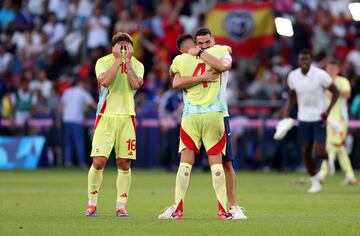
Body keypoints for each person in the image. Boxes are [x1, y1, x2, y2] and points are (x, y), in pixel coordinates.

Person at [158, 34, 232, 220]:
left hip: (190, 116)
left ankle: (178, 210)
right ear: (194, 45)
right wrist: (203, 76)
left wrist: (191, 70)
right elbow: (227, 53)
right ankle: (223, 211)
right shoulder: (217, 51)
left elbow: (173, 79)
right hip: (214, 114)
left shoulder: (179, 60)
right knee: (216, 163)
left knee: (185, 162)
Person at [190, 27, 247, 219]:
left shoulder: (222, 52)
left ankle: (233, 206)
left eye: (207, 42)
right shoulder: (189, 58)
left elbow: (224, 65)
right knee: (185, 163)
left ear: (213, 40)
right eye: (200, 43)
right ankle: (177, 206)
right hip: (194, 115)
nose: (205, 46)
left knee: (226, 164)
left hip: (219, 114)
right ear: (195, 43)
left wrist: (200, 53)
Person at [86, 32, 144, 217]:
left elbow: (136, 84)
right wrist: (118, 61)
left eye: (127, 45)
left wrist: (127, 63)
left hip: (127, 116)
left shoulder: (137, 65)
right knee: (99, 161)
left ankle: (121, 205)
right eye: (120, 45)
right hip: (106, 116)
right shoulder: (103, 62)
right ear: (114, 47)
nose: (124, 48)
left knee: (124, 163)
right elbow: (105, 81)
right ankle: (92, 203)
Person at [283, 49, 339, 193]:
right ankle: (315, 182)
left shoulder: (320, 75)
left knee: (319, 151)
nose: (304, 62)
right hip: (303, 118)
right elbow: (293, 95)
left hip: (319, 117)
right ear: (299, 60)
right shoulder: (293, 76)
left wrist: (327, 111)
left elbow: (336, 92)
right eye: (302, 60)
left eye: (307, 59)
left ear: (311, 60)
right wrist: (287, 110)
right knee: (306, 152)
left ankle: (329, 158)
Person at [317, 59, 357, 185]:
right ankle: (350, 175)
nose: (331, 71)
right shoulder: (322, 82)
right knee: (339, 147)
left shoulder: (342, 81)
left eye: (333, 69)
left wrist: (333, 90)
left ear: (338, 70)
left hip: (339, 118)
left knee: (330, 145)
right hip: (326, 118)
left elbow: (347, 94)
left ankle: (323, 173)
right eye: (329, 69)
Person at [59, 78, 95, 168]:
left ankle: (68, 162)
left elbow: (61, 106)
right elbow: (93, 104)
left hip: (66, 119)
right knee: (79, 142)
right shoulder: (82, 92)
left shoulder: (67, 91)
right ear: (81, 83)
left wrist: (60, 118)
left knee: (68, 143)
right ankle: (81, 162)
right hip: (76, 120)